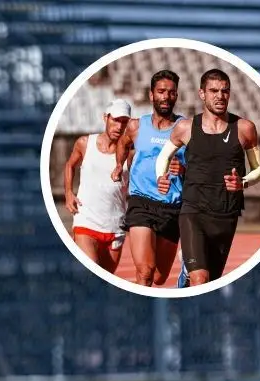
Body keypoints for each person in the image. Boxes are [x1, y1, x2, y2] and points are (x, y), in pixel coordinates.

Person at [156, 68, 260, 286]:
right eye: (213, 90)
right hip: (193, 211)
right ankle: (191, 273)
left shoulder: (244, 128)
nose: (220, 96)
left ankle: (186, 278)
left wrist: (242, 182)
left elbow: (259, 170)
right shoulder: (185, 128)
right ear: (202, 93)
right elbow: (163, 156)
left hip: (226, 214)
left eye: (225, 91)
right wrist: (162, 177)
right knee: (200, 277)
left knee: (211, 281)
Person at [111, 69, 188, 287]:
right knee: (145, 271)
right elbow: (123, 143)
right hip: (141, 201)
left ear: (176, 96)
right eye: (161, 91)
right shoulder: (136, 126)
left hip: (171, 205)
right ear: (151, 95)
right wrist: (119, 164)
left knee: (159, 278)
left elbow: (199, 165)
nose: (166, 96)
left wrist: (183, 168)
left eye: (171, 92)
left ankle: (185, 270)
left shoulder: (185, 129)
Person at [62, 99, 132, 274]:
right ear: (105, 118)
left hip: (115, 225)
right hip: (86, 221)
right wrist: (69, 192)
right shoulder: (85, 144)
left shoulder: (131, 154)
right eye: (115, 120)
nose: (119, 126)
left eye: (124, 122)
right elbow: (70, 165)